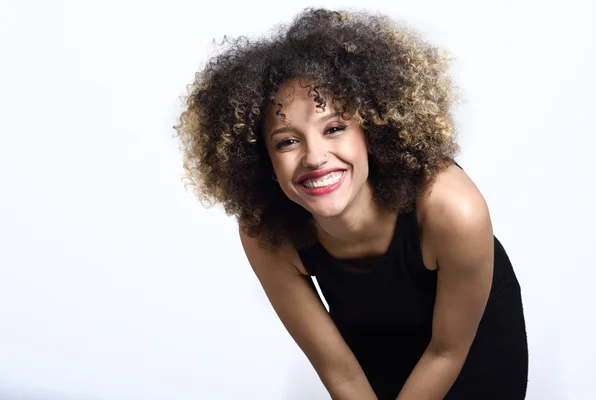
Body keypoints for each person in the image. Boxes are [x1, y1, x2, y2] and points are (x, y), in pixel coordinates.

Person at [174, 8, 528, 399]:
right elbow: (340, 373)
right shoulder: (266, 231)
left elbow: (446, 352)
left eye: (335, 128)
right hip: (371, 353)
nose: (314, 157)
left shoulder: (452, 210)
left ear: (372, 134)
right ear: (266, 164)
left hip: (471, 351)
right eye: (287, 141)